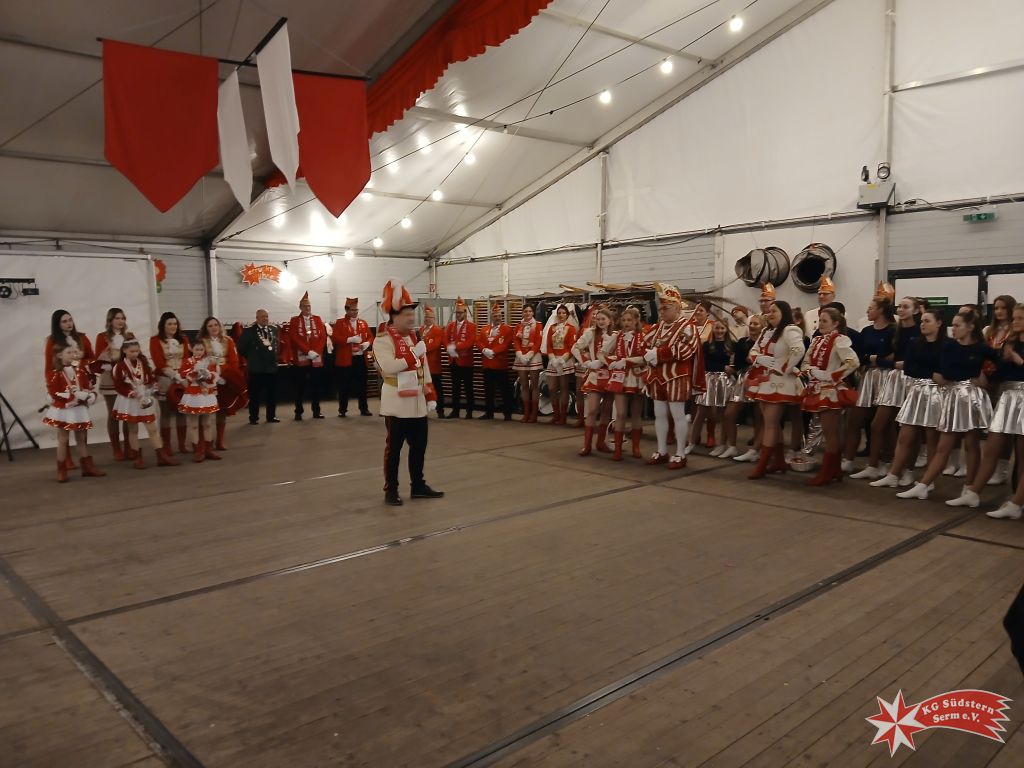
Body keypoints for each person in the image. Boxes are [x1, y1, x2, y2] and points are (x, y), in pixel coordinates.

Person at [898, 308, 996, 500]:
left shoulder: (981, 348)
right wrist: (972, 373)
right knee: (944, 445)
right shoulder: (950, 346)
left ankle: (969, 488)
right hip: (953, 395)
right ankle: (924, 484)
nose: (954, 329)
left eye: (958, 325)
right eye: (954, 325)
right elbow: (946, 372)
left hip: (972, 397)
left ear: (970, 327)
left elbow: (1000, 364)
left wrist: (987, 379)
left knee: (971, 444)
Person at [946, 303, 1024, 516]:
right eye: (1014, 318)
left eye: (1019, 318)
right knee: (991, 446)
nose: (1015, 322)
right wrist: (985, 377)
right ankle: (973, 492)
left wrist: (1017, 360)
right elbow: (1000, 371)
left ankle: (1016, 503)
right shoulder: (1011, 343)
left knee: (1022, 453)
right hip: (1008, 396)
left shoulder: (1015, 349)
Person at [373, 279, 443, 506]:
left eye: (412, 313)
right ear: (394, 317)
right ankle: (391, 490)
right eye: (406, 314)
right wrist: (413, 355)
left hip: (417, 401)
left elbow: (424, 368)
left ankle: (418, 486)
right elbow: (389, 367)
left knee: (419, 447)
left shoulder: (415, 337)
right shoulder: (382, 340)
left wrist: (431, 394)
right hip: (396, 403)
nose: (412, 318)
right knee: (394, 450)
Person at [870, 309, 945, 489]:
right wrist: (931, 373)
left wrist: (931, 373)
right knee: (905, 435)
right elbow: (909, 368)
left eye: (927, 321)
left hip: (936, 393)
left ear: (939, 323)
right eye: (922, 321)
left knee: (931, 438)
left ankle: (928, 480)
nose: (923, 324)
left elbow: (945, 370)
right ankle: (893, 474)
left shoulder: (946, 345)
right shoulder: (915, 342)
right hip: (917, 389)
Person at [642, 283, 705, 469]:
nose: (661, 311)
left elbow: (686, 350)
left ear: (677, 308)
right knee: (659, 414)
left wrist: (658, 353)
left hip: (676, 377)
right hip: (656, 377)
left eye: (666, 308)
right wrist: (648, 353)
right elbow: (644, 343)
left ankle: (680, 453)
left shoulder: (688, 327)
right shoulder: (658, 327)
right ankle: (662, 450)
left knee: (678, 415)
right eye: (660, 308)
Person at [799, 308, 859, 485]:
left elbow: (853, 362)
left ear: (836, 323)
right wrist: (810, 371)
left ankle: (827, 472)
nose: (820, 324)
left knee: (830, 433)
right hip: (817, 388)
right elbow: (805, 362)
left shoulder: (839, 340)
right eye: (819, 320)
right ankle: (835, 470)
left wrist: (832, 375)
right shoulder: (817, 340)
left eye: (824, 321)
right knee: (831, 432)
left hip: (830, 391)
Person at [863, 292, 920, 479]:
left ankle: (907, 470)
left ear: (915, 311)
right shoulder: (895, 331)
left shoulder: (919, 331)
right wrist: (892, 363)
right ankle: (875, 465)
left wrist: (892, 362)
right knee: (878, 424)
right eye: (900, 307)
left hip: (913, 380)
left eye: (906, 307)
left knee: (908, 429)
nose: (901, 310)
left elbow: (916, 360)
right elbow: (884, 358)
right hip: (895, 378)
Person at [746, 300, 805, 479]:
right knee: (771, 423)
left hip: (781, 382)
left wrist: (783, 367)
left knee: (770, 423)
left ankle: (763, 463)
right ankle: (778, 461)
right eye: (769, 311)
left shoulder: (790, 330)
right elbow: (753, 351)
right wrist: (759, 359)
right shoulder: (766, 331)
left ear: (784, 313)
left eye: (774, 311)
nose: (770, 314)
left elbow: (798, 350)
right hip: (765, 381)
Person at [845, 297, 896, 478]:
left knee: (884, 424)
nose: (867, 311)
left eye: (870, 308)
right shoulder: (866, 330)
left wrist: (876, 359)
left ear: (881, 310)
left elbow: (894, 356)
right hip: (868, 376)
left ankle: (885, 461)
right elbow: (860, 355)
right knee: (855, 420)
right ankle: (848, 460)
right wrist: (871, 359)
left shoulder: (893, 330)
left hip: (886, 377)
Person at [112, 339, 177, 468]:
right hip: (130, 400)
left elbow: (150, 378)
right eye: (131, 351)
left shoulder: (143, 362)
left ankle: (161, 456)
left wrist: (154, 385)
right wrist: (131, 393)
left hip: (144, 397)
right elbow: (118, 386)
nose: (135, 353)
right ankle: (138, 458)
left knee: (152, 428)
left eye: (137, 351)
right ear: (124, 351)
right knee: (133, 429)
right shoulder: (119, 366)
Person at [44, 344, 104, 481]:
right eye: (69, 352)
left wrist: (89, 395)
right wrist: (73, 397)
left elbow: (87, 387)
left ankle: (87, 467)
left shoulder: (80, 371)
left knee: (81, 438)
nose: (73, 355)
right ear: (59, 355)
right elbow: (54, 393)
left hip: (78, 409)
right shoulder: (54, 374)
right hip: (64, 410)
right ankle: (61, 470)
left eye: (75, 352)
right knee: (63, 439)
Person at [44, 309, 95, 471]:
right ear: (57, 324)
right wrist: (51, 388)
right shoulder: (52, 341)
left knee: (81, 426)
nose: (69, 324)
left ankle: (85, 462)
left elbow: (91, 358)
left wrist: (80, 363)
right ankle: (66, 460)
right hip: (63, 384)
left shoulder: (82, 338)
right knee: (64, 429)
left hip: (80, 382)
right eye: (64, 321)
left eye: (70, 320)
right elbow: (49, 365)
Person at [981, 294, 1017, 485]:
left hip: (1004, 381)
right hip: (986, 380)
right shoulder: (988, 330)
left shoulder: (1014, 331)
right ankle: (988, 466)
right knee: (990, 427)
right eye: (996, 308)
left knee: (1004, 427)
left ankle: (1002, 468)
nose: (999, 311)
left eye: (1003, 308)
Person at [605, 306, 647, 460]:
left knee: (636, 413)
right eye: (623, 320)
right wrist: (610, 363)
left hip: (636, 377)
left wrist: (626, 361)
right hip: (620, 377)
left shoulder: (643, 336)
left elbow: (645, 357)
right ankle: (618, 448)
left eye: (629, 320)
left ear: (636, 321)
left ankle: (636, 447)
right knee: (621, 413)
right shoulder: (617, 336)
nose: (626, 323)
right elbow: (602, 352)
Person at [573, 305, 615, 455]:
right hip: (595, 375)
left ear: (610, 321)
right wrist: (587, 362)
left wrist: (606, 361)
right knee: (592, 410)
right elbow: (575, 347)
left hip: (610, 375)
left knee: (607, 410)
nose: (600, 321)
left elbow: (619, 354)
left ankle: (601, 442)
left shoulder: (616, 335)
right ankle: (587, 445)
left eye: (603, 319)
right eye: (598, 319)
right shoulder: (590, 333)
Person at [94, 307, 135, 460]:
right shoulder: (102, 337)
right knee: (113, 414)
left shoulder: (129, 336)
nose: (120, 321)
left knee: (127, 414)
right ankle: (116, 449)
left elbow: (136, 354)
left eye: (123, 318)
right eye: (117, 318)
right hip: (110, 378)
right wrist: (113, 363)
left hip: (126, 378)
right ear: (110, 320)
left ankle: (129, 447)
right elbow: (99, 359)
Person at [198, 316, 242, 450]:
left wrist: (227, 374)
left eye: (216, 325)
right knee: (205, 411)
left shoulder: (228, 341)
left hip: (224, 378)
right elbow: (199, 361)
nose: (214, 328)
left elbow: (234, 361)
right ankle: (204, 442)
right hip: (207, 379)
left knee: (222, 410)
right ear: (206, 328)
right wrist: (210, 373)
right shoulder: (201, 342)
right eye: (210, 326)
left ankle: (220, 440)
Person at [150, 312, 191, 454]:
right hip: (164, 379)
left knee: (182, 412)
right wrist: (174, 375)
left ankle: (182, 445)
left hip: (182, 378)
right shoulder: (155, 340)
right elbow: (158, 362)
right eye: (169, 324)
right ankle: (166, 446)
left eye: (175, 324)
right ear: (163, 325)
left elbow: (186, 359)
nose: (173, 326)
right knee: (166, 412)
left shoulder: (183, 339)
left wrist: (183, 376)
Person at [690, 319, 733, 455]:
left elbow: (734, 363)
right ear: (712, 329)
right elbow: (706, 364)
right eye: (717, 328)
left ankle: (722, 444)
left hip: (724, 381)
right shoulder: (707, 345)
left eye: (722, 328)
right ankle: (691, 442)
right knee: (700, 412)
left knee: (723, 414)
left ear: (726, 329)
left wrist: (730, 369)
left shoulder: (731, 345)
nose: (719, 331)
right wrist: (723, 367)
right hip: (709, 379)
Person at [726, 313, 765, 461]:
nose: (752, 326)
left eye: (756, 323)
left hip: (760, 379)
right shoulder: (742, 341)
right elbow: (737, 363)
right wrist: (732, 369)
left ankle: (756, 449)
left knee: (759, 416)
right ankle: (732, 446)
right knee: (729, 413)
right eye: (751, 323)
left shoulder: (765, 343)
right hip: (743, 379)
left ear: (762, 326)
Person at [178, 341, 221, 463]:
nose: (199, 352)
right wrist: (194, 371)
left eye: (201, 349)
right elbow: (183, 374)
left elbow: (214, 375)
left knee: (208, 424)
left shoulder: (208, 361)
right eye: (197, 349)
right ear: (192, 349)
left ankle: (208, 450)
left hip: (206, 393)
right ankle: (198, 451)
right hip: (193, 394)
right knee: (194, 424)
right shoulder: (187, 361)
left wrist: (208, 375)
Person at [288, 291, 328, 420]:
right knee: (300, 387)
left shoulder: (317, 319)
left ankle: (316, 411)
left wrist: (316, 351)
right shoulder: (294, 320)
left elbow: (322, 337)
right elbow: (294, 338)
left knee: (316, 386)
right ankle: (298, 412)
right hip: (301, 358)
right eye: (305, 306)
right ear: (300, 307)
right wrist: (307, 351)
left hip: (315, 357)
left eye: (309, 305)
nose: (307, 308)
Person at [331, 297, 373, 417]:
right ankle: (342, 409)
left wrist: (367, 343)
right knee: (344, 385)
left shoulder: (363, 323)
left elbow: (370, 336)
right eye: (353, 310)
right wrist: (349, 339)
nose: (355, 312)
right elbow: (335, 338)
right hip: (346, 359)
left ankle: (364, 408)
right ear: (347, 310)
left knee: (362, 385)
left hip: (360, 359)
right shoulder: (340, 323)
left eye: (356, 309)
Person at [237, 309, 280, 425]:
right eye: (262, 317)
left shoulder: (273, 329)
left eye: (266, 316)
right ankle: (253, 417)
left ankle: (271, 416)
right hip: (256, 368)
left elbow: (276, 345)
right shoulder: (249, 331)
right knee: (254, 395)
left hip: (271, 367)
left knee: (271, 394)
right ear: (257, 318)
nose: (265, 318)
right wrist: (252, 357)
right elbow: (241, 348)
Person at [476, 302, 514, 421]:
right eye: (495, 315)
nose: (497, 317)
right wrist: (484, 350)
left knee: (504, 390)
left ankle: (507, 413)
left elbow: (506, 344)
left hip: (500, 365)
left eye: (499, 315)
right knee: (489, 390)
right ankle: (489, 412)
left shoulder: (507, 329)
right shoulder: (484, 329)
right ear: (491, 316)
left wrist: (493, 352)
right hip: (487, 364)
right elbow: (478, 341)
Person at [545, 304, 578, 425]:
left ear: (567, 315)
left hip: (565, 360)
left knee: (564, 388)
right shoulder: (552, 328)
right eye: (559, 313)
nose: (561, 315)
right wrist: (552, 358)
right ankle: (556, 414)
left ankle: (563, 416)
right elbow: (548, 345)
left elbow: (571, 346)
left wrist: (563, 359)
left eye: (563, 313)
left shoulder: (571, 328)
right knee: (552, 388)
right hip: (553, 360)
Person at [445, 297, 477, 419]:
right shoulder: (450, 326)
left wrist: (455, 346)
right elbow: (445, 338)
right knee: (455, 388)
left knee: (468, 387)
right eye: (456, 312)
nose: (458, 314)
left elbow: (470, 342)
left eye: (460, 312)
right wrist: (448, 347)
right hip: (454, 361)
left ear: (465, 312)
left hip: (466, 361)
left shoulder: (472, 326)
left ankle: (469, 411)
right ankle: (455, 411)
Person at [513, 304, 543, 422]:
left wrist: (530, 354)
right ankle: (526, 413)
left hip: (534, 356)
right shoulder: (518, 325)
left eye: (530, 311)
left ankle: (534, 414)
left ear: (533, 313)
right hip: (521, 356)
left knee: (534, 386)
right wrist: (520, 354)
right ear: (522, 313)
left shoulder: (538, 325)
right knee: (524, 385)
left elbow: (538, 342)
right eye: (525, 311)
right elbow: (515, 341)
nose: (528, 313)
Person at [420, 306, 446, 418]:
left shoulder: (438, 330)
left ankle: (440, 411)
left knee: (437, 388)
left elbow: (435, 345)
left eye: (430, 317)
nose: (427, 319)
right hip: (422, 365)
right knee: (423, 389)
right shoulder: (421, 330)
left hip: (433, 365)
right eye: (426, 317)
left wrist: (421, 349)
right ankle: (423, 410)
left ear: (434, 318)